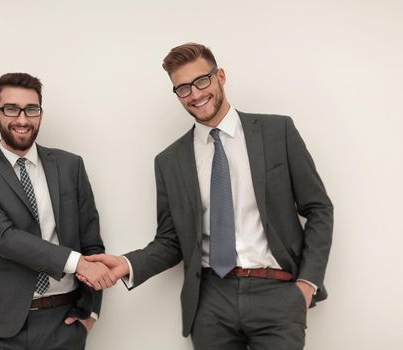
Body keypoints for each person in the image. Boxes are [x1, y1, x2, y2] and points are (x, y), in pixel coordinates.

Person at [80, 43, 333, 349]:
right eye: (183, 88)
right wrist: (127, 263)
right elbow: (171, 241)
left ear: (220, 76)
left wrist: (306, 284)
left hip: (277, 291)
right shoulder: (169, 161)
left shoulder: (277, 131)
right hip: (211, 299)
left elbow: (319, 208)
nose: (196, 94)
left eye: (202, 81)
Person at [0, 72, 115, 350]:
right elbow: (5, 238)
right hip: (4, 327)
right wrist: (77, 262)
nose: (22, 119)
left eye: (31, 109)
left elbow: (92, 241)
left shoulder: (70, 166)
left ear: (40, 113)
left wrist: (90, 313)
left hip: (65, 322)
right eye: (11, 109)